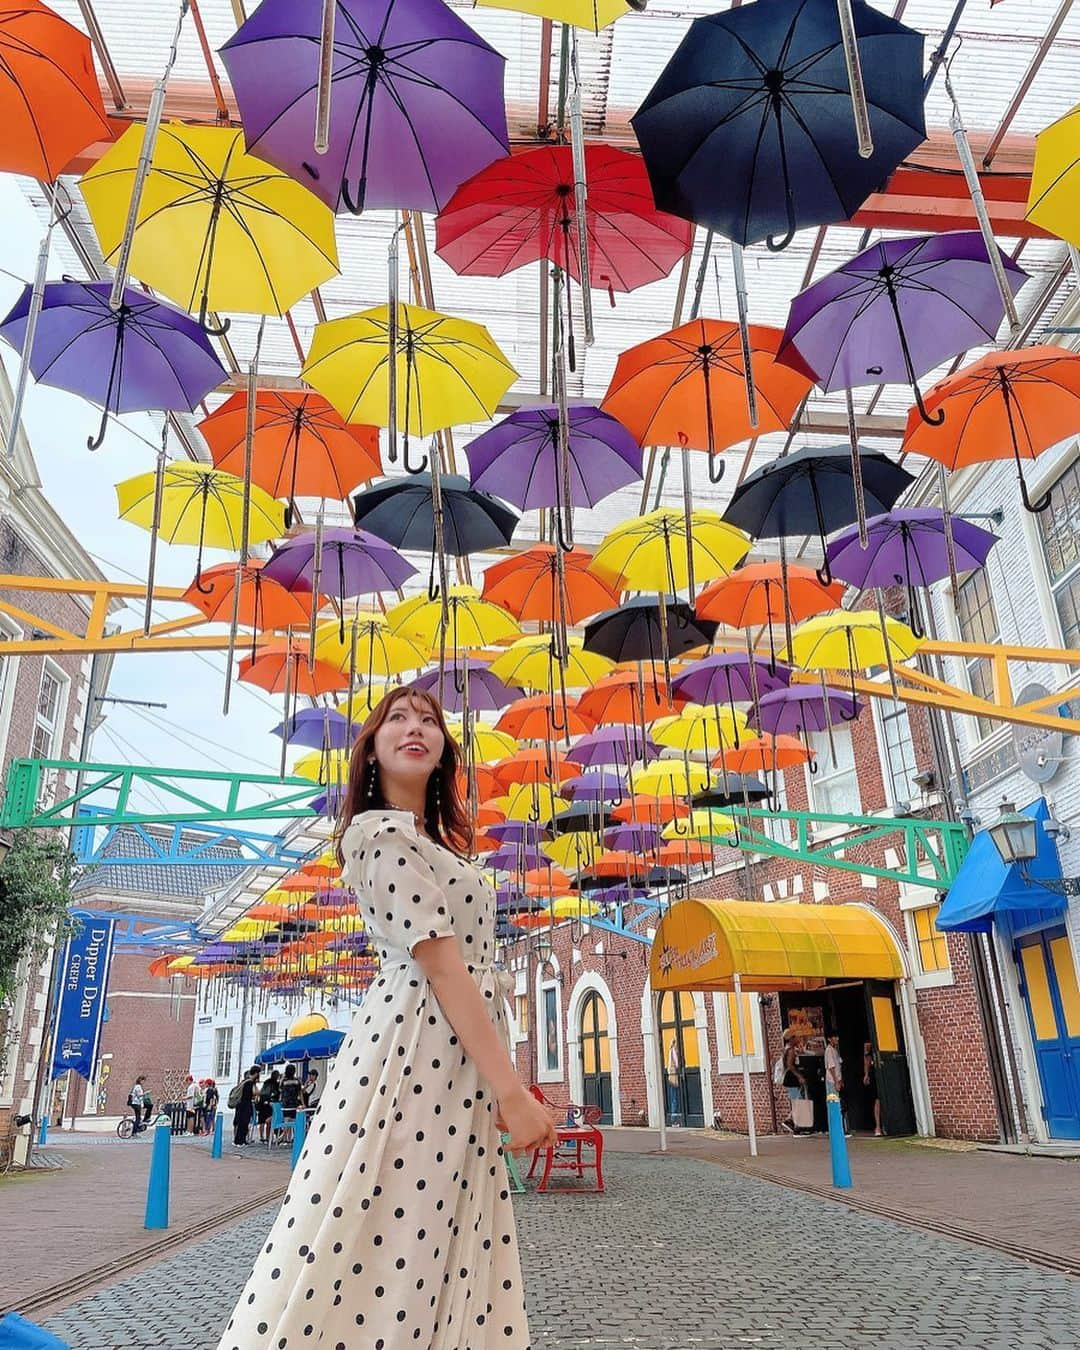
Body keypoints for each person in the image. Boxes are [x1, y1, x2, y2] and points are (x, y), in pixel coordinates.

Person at [218, 685, 556, 1350]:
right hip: (416, 1052)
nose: (416, 727)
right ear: (370, 752)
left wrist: (496, 1082)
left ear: (443, 754)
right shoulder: (380, 836)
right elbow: (443, 966)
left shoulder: (433, 843)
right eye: (397, 719)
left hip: (448, 1054)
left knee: (431, 1224)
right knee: (399, 1224)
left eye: (429, 721)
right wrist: (510, 1091)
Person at [779, 1028, 808, 1134]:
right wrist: (799, 1076)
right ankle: (791, 1121)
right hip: (791, 1079)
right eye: (796, 1037)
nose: (798, 1038)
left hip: (790, 1078)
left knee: (797, 1101)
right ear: (791, 1038)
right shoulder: (790, 1050)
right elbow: (790, 1065)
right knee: (798, 1101)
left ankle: (796, 1125)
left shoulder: (788, 1048)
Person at [824, 1033, 850, 1136]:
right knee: (835, 1104)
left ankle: (840, 1128)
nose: (837, 1039)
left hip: (837, 1080)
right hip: (832, 1081)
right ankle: (837, 1129)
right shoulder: (829, 1051)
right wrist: (836, 1081)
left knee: (839, 1104)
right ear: (829, 1039)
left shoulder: (834, 1050)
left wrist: (840, 1080)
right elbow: (831, 1067)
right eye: (834, 1037)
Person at [232, 1065, 261, 1148]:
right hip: (245, 1104)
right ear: (256, 1073)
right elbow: (255, 1093)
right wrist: (255, 1085)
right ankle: (240, 1141)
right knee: (243, 1123)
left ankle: (241, 1140)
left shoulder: (245, 1081)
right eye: (258, 1073)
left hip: (241, 1104)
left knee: (243, 1122)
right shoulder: (249, 1082)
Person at [863, 1041, 883, 1136]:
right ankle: (878, 1126)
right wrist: (866, 1074)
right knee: (877, 1100)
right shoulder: (868, 1045)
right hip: (875, 1073)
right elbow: (867, 1058)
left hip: (884, 1071)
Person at [257, 1069, 280, 1144]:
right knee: (269, 1121)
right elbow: (276, 1093)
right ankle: (268, 1137)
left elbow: (262, 1091)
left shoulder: (266, 1082)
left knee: (261, 1121)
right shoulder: (275, 1083)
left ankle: (261, 1137)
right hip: (270, 1103)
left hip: (262, 1102)